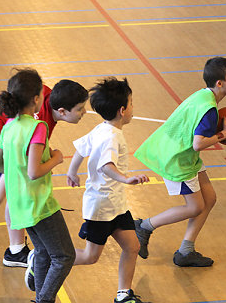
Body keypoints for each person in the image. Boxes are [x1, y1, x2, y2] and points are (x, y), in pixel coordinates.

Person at [0, 78, 88, 268]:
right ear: (62, 111)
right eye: (80, 109)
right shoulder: (35, 123)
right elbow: (25, 171)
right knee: (16, 187)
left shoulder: (44, 97)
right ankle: (16, 251)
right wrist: (55, 159)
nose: (85, 112)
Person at [133, 57, 226, 267]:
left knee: (209, 198)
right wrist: (224, 133)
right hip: (177, 159)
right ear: (220, 83)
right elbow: (198, 144)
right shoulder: (209, 110)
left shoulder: (204, 96)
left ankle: (186, 250)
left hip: (180, 153)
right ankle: (145, 226)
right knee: (194, 207)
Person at [0, 68, 75, 303]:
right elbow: (35, 172)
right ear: (36, 98)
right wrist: (56, 158)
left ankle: (40, 297)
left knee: (44, 254)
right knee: (64, 256)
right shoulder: (38, 127)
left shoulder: (9, 126)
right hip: (39, 204)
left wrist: (16, 167)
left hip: (19, 204)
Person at [66, 77, 149, 303]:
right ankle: (44, 258)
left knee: (132, 246)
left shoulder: (102, 128)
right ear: (122, 110)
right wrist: (126, 179)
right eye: (131, 103)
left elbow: (81, 148)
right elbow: (106, 165)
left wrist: (72, 171)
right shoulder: (111, 136)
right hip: (101, 207)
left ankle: (123, 294)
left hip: (116, 205)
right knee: (90, 257)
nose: (133, 107)